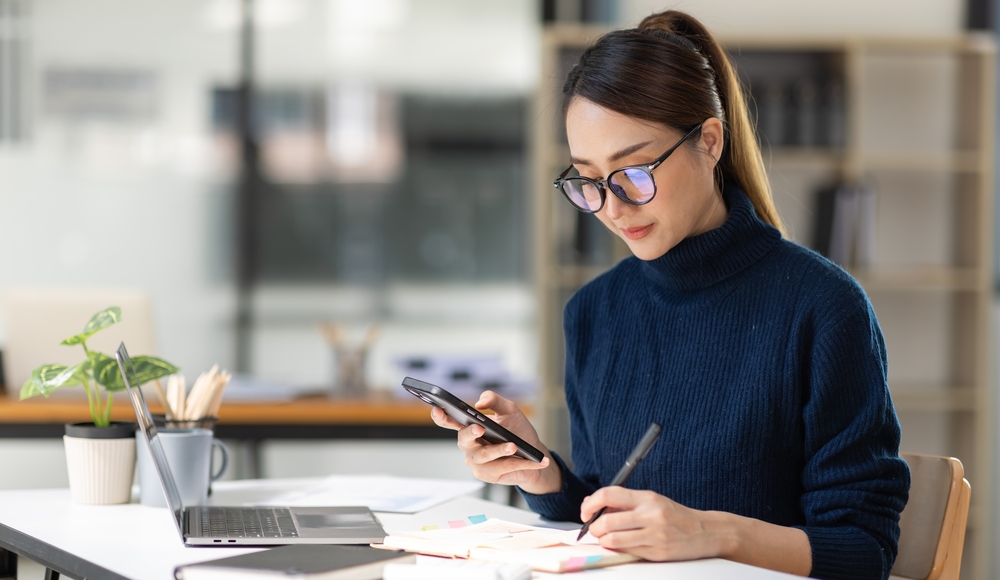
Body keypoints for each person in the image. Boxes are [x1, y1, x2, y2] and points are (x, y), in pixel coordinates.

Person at [430, 9, 909, 580]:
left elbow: (862, 550)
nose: (612, 206)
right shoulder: (592, 313)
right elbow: (616, 505)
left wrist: (713, 533)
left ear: (709, 141)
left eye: (634, 171)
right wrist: (544, 477)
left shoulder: (823, 308)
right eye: (587, 179)